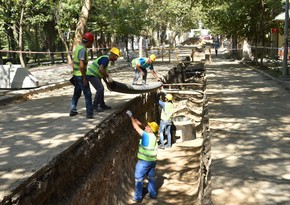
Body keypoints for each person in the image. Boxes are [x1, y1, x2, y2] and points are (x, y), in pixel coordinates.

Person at [125, 110, 159, 203]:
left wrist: (131, 116)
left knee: (139, 179)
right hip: (152, 161)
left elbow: (136, 127)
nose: (146, 127)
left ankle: (138, 197)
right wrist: (140, 122)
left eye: (148, 126)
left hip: (144, 162)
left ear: (150, 129)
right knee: (151, 178)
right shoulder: (153, 136)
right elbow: (145, 128)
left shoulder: (145, 136)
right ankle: (153, 194)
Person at [86, 47, 120, 112]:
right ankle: (95, 105)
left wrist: (107, 83)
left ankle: (102, 105)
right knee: (100, 89)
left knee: (101, 88)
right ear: (112, 55)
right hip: (91, 75)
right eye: (116, 56)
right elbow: (101, 69)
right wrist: (108, 77)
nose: (116, 59)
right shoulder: (106, 59)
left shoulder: (106, 60)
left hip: (95, 75)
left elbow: (102, 73)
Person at [69, 32, 94, 119]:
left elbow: (73, 62)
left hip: (76, 75)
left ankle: (73, 109)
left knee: (77, 93)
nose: (92, 44)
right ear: (89, 41)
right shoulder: (83, 50)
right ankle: (89, 113)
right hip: (80, 75)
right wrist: (84, 77)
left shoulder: (78, 48)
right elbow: (81, 64)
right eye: (92, 42)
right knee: (87, 94)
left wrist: (74, 73)